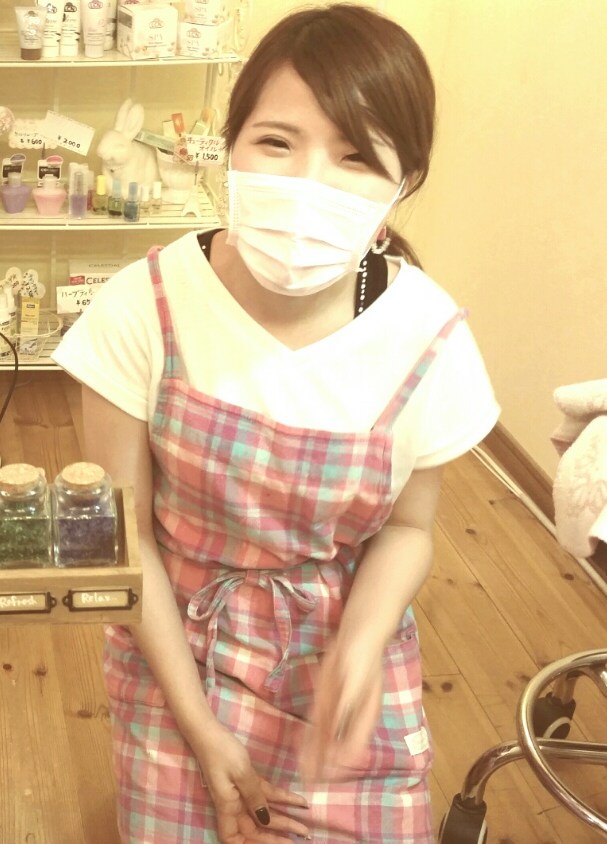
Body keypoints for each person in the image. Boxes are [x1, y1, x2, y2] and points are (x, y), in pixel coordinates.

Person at [52, 5, 500, 842]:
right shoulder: (143, 308)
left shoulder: (426, 337)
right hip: (176, 650)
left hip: (339, 656)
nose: (307, 185)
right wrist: (200, 726)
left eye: (355, 156)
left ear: (404, 181)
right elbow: (125, 537)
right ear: (228, 146)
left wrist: (360, 648)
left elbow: (409, 529)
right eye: (277, 142)